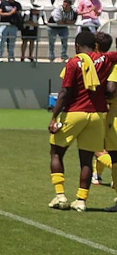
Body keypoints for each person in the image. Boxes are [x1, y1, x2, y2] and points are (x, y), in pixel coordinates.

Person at [47, 30, 110, 212]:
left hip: (75, 112)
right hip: (97, 115)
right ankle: (81, 200)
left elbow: (65, 92)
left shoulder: (74, 62)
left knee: (56, 152)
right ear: (95, 46)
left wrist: (54, 116)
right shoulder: (105, 60)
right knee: (87, 159)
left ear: (76, 46)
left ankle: (60, 196)